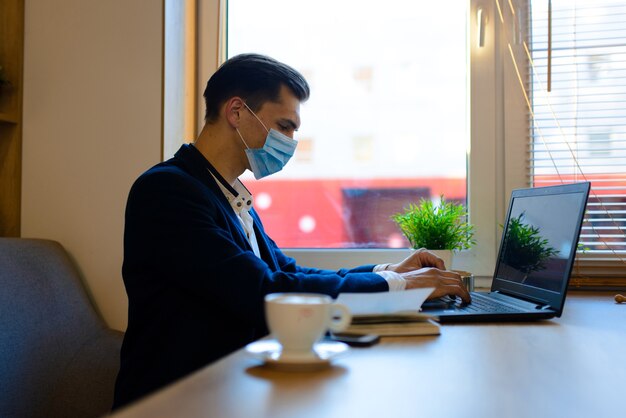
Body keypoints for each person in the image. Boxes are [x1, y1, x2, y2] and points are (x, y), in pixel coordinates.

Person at [112, 53, 470, 409]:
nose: (291, 142)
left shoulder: (229, 194)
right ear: (236, 112)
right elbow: (268, 291)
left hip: (236, 388)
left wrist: (389, 272)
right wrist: (403, 287)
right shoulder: (166, 192)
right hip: (181, 401)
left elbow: (289, 273)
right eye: (285, 126)